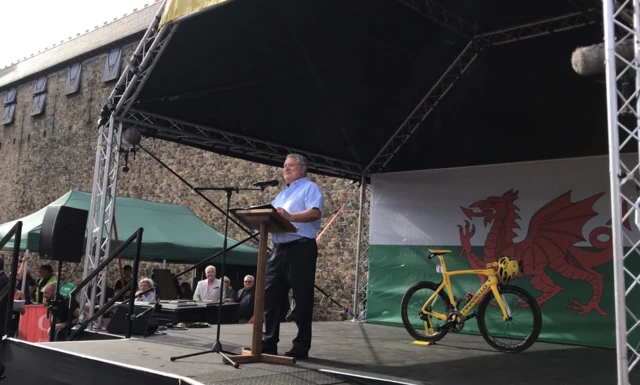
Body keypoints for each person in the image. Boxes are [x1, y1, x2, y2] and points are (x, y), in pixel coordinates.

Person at [262, 154, 323, 359]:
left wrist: (290, 217)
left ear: (303, 168)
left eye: (291, 165)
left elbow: (315, 213)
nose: (286, 169)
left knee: (301, 298)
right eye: (284, 166)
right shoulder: (280, 196)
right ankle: (268, 342)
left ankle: (301, 344)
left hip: (300, 248)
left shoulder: (310, 188)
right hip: (278, 249)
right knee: (270, 298)